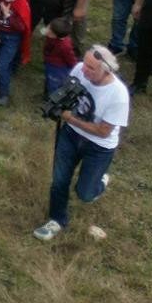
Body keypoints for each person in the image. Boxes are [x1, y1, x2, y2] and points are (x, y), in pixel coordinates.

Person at [33, 47, 128, 241]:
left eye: (91, 68)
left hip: (98, 146)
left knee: (85, 194)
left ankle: (99, 183)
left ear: (106, 70)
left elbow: (103, 131)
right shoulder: (79, 69)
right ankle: (57, 220)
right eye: (84, 64)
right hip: (70, 136)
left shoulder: (118, 95)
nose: (84, 70)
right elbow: (67, 91)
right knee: (59, 180)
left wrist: (70, 119)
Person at [44, 17, 78, 96]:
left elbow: (71, 59)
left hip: (58, 68)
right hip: (49, 62)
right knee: (48, 79)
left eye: (49, 30)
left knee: (54, 84)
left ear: (56, 35)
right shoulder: (52, 36)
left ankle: (53, 98)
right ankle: (47, 92)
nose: (47, 29)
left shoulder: (64, 46)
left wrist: (74, 67)